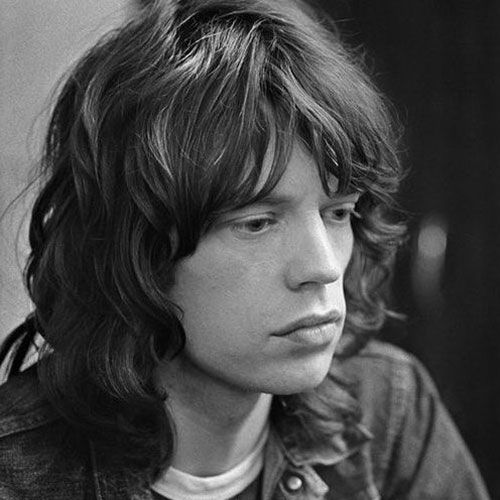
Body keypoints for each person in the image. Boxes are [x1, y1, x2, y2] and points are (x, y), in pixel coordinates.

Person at [0, 0, 490, 498]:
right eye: (257, 223)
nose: (322, 268)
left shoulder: (390, 408)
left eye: (337, 212)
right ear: (134, 249)